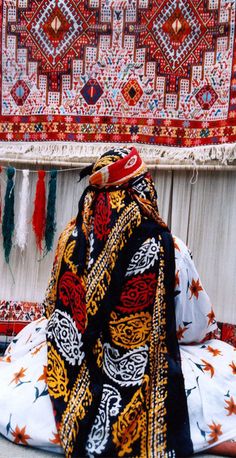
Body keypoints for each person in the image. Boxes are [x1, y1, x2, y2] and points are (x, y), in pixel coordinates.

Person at [0, 147, 235, 458]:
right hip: (142, 369)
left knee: (18, 378)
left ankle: (62, 425)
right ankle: (203, 436)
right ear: (141, 190)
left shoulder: (70, 240)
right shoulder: (169, 246)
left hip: (71, 362)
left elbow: (51, 309)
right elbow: (196, 327)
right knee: (220, 368)